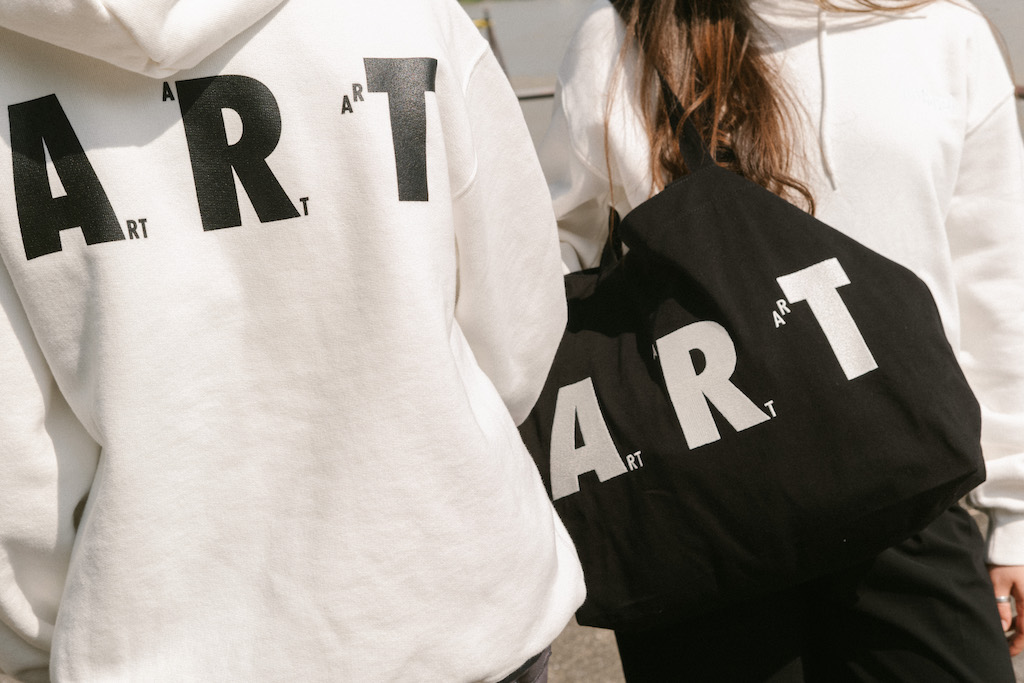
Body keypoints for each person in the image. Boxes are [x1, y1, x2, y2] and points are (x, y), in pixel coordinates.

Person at [0, 0, 585, 680]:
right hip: (457, 601)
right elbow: (516, 322)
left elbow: (19, 468)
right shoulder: (409, 14)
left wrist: (43, 640)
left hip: (169, 642)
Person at [540, 0, 1024, 679]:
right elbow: (553, 266)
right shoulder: (622, 35)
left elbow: (996, 280)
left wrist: (1016, 515)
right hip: (698, 512)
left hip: (905, 489)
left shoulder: (942, 32)